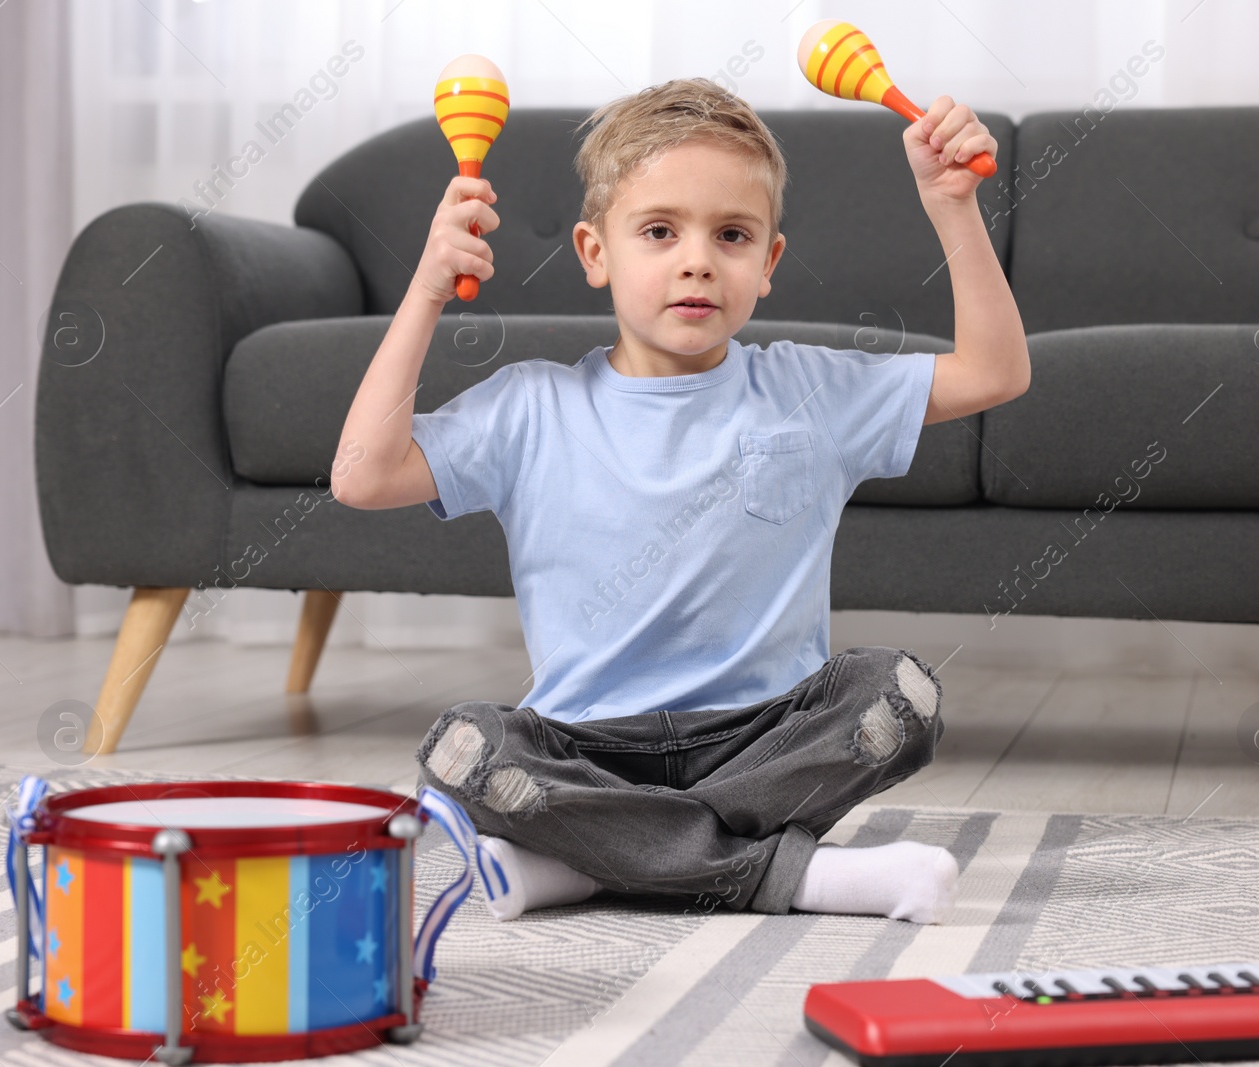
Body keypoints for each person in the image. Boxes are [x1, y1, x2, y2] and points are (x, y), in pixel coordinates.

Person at [332, 78, 1029, 923]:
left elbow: (997, 372)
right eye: (659, 231)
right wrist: (427, 290)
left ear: (768, 263)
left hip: (767, 739)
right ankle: (799, 878)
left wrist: (952, 205)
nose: (697, 258)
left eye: (731, 234)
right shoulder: (530, 407)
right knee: (463, 749)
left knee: (901, 694)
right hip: (582, 749)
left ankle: (590, 862)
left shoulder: (810, 388)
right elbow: (362, 475)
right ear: (596, 253)